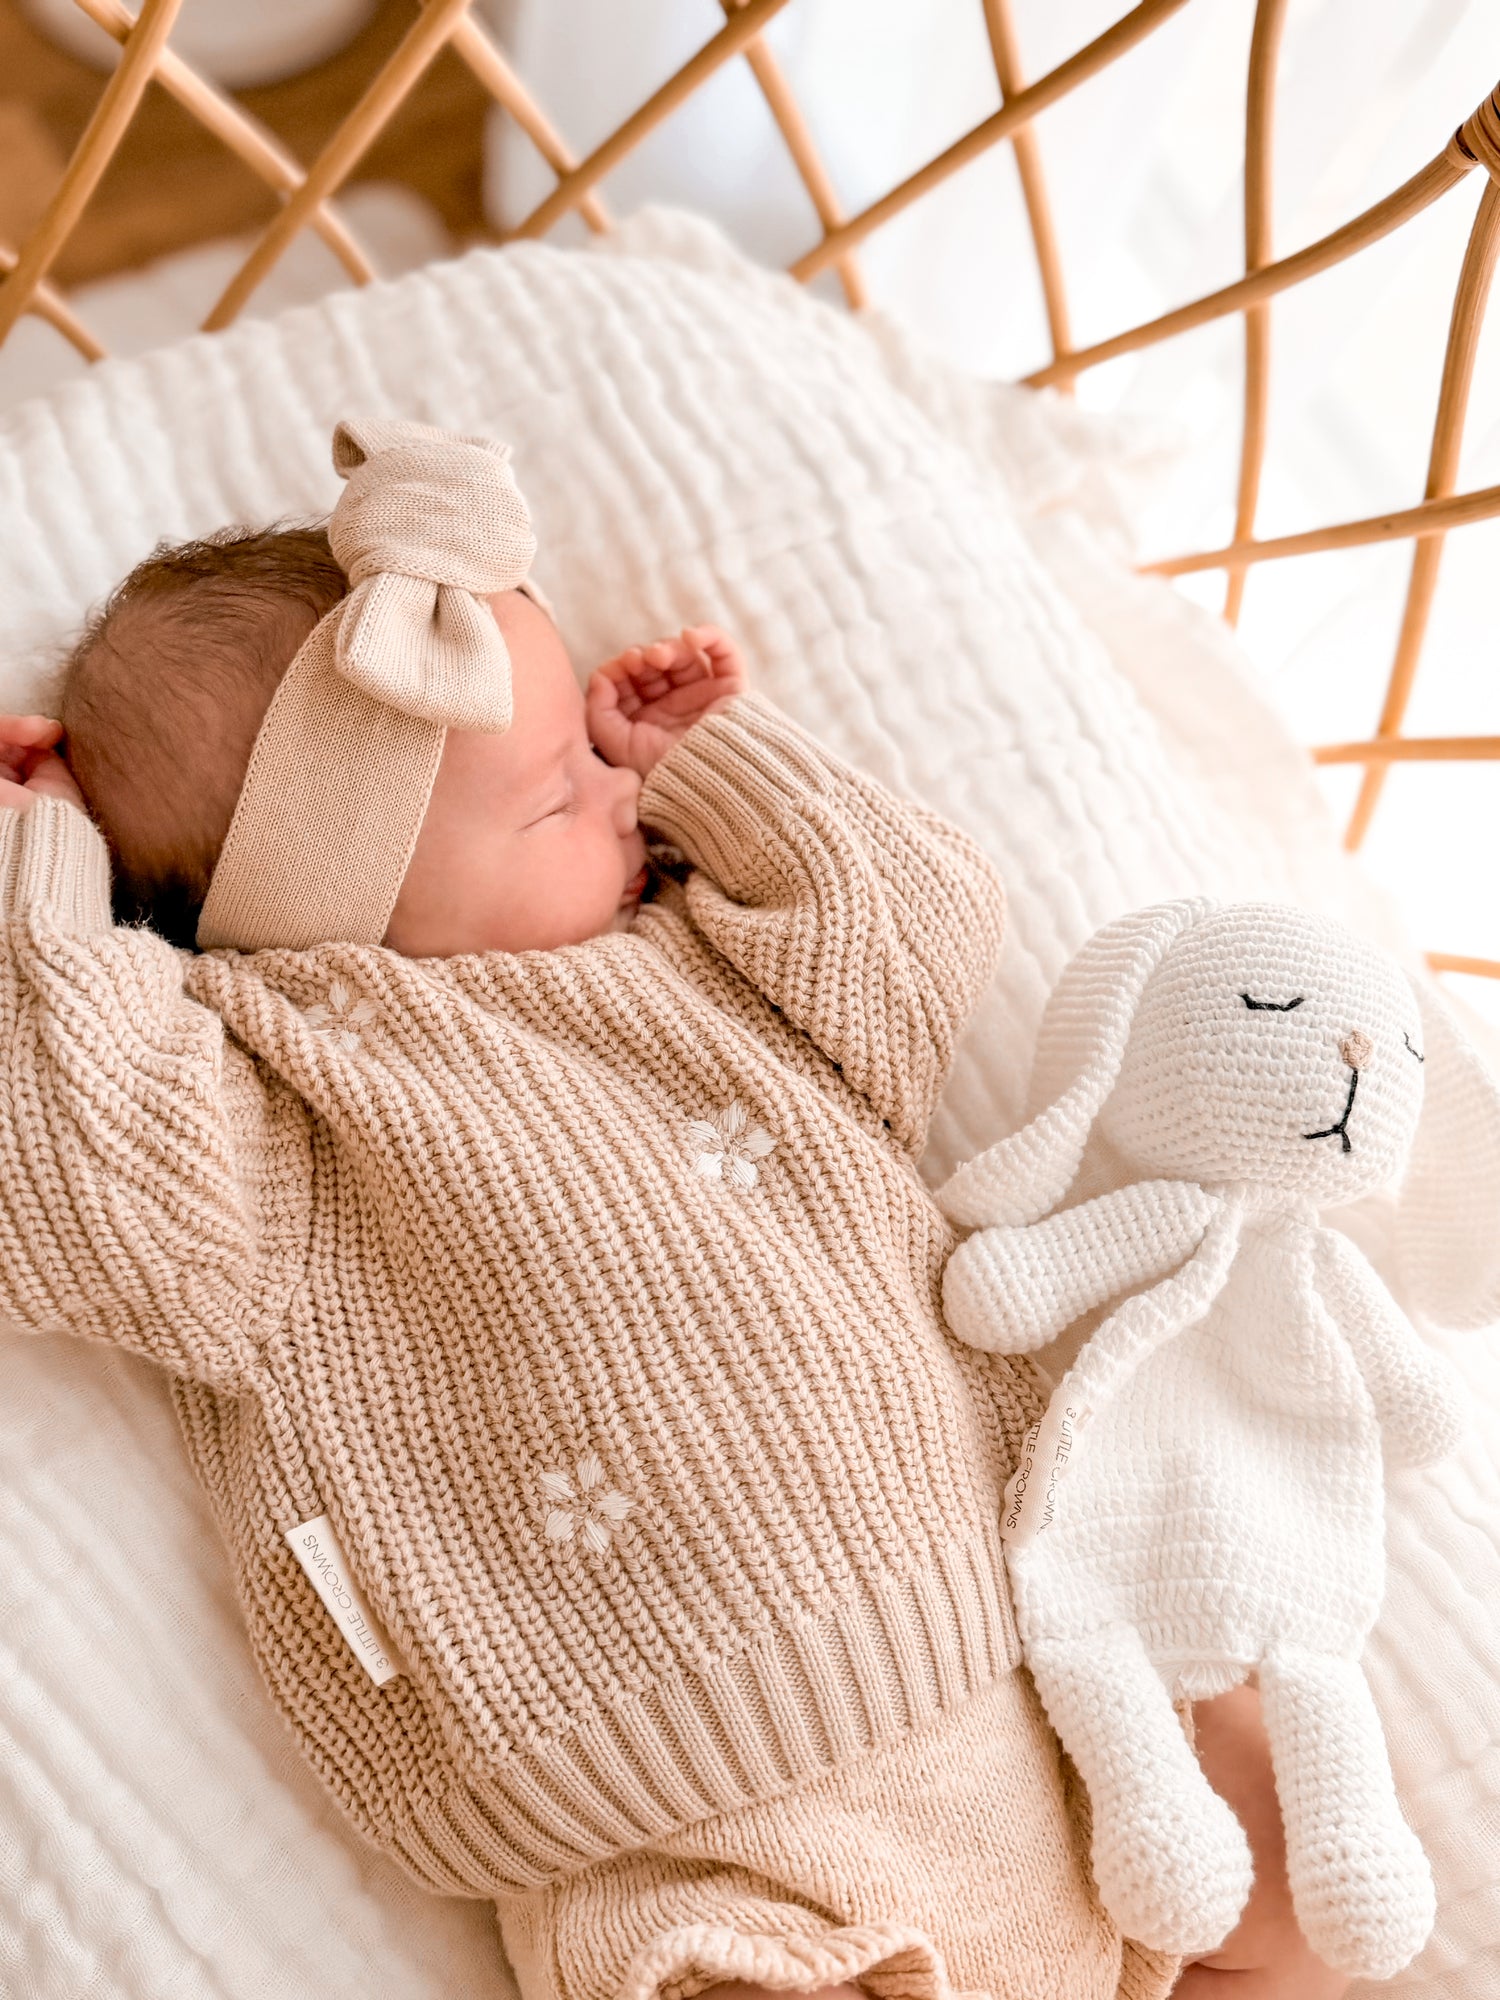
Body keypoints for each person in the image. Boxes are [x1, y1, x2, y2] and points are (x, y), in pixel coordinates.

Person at [0, 417, 1345, 2000]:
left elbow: (917, 919)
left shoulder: (711, 967)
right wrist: (51, 881)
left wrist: (715, 767)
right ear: (333, 888)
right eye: (557, 795)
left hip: (1038, 1673)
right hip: (671, 1823)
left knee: (1297, 1884)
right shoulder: (280, 1108)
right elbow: (69, 1182)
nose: (611, 792)